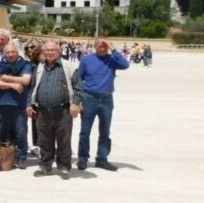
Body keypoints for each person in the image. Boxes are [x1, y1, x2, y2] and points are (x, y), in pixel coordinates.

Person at [27, 41, 83, 180]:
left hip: (63, 111)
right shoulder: (39, 67)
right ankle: (45, 166)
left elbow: (78, 88)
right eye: (47, 50)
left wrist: (75, 104)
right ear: (43, 52)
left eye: (53, 50)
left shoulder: (69, 66)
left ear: (59, 51)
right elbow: (33, 88)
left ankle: (64, 167)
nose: (50, 52)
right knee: (44, 141)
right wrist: (29, 104)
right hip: (42, 111)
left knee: (64, 140)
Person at [77, 37, 130, 172]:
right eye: (100, 46)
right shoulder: (86, 60)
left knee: (105, 131)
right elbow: (78, 80)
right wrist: (78, 101)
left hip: (106, 99)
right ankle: (83, 158)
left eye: (105, 46)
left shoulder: (112, 60)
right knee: (85, 131)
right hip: (89, 98)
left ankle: (102, 159)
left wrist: (113, 49)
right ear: (95, 46)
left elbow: (125, 65)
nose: (102, 48)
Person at [0, 42, 32, 169]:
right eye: (7, 52)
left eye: (12, 52)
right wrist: (13, 85)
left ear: (17, 52)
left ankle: (21, 158)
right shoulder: (0, 64)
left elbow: (26, 80)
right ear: (4, 53)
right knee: (3, 133)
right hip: (2, 103)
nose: (10, 54)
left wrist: (4, 77)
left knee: (21, 133)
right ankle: (3, 158)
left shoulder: (25, 64)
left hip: (20, 104)